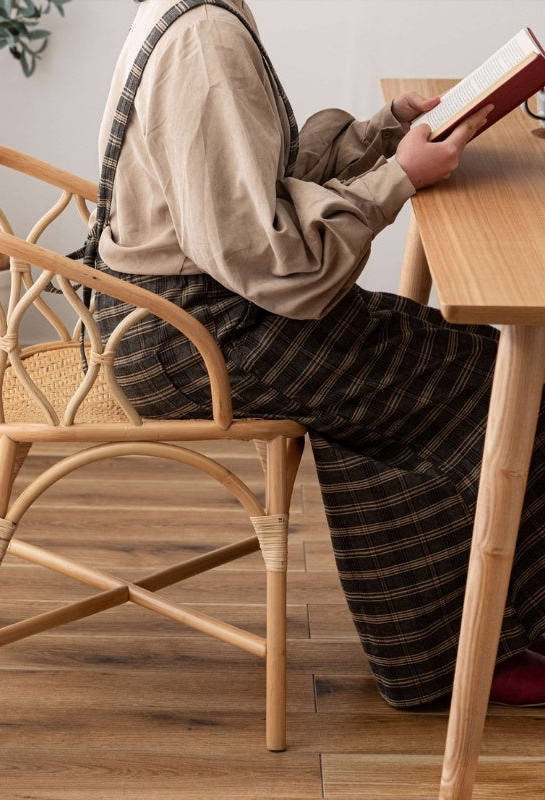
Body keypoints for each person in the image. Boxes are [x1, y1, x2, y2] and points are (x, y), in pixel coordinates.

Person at [90, 0, 545, 708]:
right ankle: (472, 653)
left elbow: (253, 181)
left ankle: (464, 641)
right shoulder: (206, 39)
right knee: (497, 381)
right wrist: (398, 178)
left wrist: (384, 134)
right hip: (192, 337)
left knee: (460, 359)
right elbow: (273, 258)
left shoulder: (190, 12)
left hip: (181, 314)